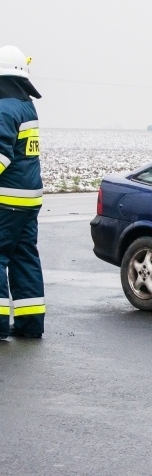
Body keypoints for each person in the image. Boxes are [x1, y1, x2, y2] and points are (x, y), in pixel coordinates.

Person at [0, 45, 46, 340]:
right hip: (30, 200)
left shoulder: (3, 108)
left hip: (6, 201)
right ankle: (30, 326)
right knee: (24, 257)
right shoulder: (27, 106)